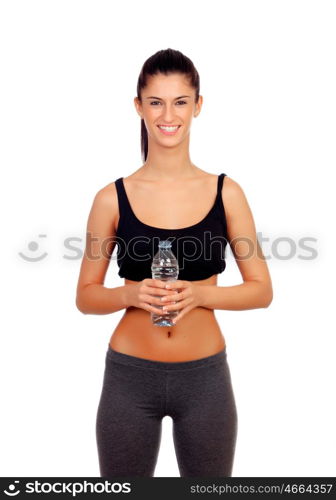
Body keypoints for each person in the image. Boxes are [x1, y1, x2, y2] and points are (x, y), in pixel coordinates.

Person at [76, 48, 273, 477]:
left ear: (198, 106)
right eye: (156, 101)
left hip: (205, 381)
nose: (169, 114)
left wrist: (201, 293)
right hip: (129, 378)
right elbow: (85, 297)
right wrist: (130, 292)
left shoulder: (227, 192)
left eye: (181, 101)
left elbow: (262, 290)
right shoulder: (111, 198)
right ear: (139, 107)